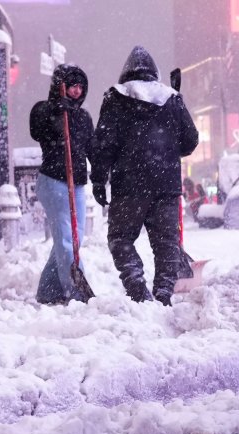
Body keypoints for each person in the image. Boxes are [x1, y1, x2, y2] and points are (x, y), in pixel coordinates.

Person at [92, 46, 200, 305]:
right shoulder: (172, 98)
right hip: (166, 187)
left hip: (128, 186)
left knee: (120, 238)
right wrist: (169, 149)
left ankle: (138, 291)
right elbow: (191, 140)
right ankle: (163, 295)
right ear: (155, 73)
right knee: (166, 245)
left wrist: (98, 179)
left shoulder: (115, 98)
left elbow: (103, 144)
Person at [28, 64, 94, 304]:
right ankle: (77, 292)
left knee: (73, 239)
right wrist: (55, 110)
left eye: (80, 87)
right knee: (67, 239)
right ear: (60, 86)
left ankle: (48, 289)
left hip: (75, 184)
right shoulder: (45, 110)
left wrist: (100, 175)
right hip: (54, 182)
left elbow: (92, 149)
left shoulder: (84, 117)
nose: (76, 91)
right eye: (71, 85)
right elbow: (36, 129)